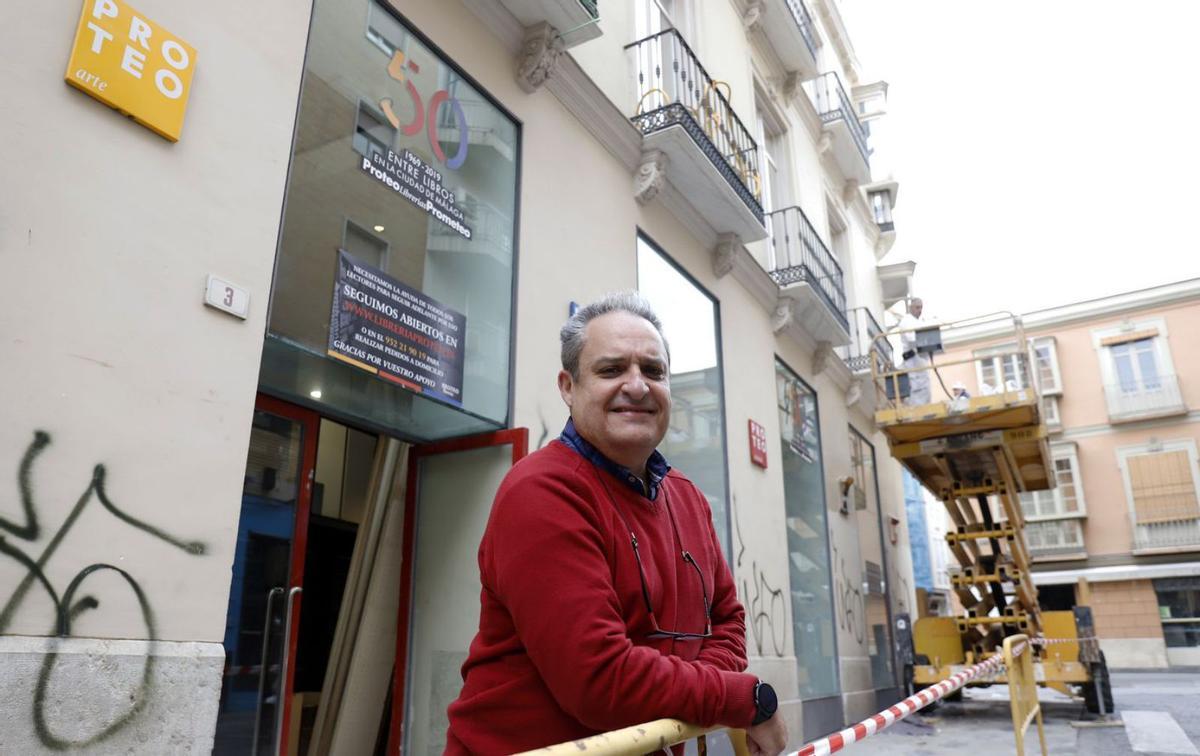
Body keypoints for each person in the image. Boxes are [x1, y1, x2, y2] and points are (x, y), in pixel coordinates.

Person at [445, 293, 788, 756]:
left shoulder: (686, 497)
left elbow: (726, 619)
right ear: (568, 387)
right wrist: (740, 698)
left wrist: (701, 691)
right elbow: (600, 679)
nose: (638, 386)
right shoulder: (542, 492)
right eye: (611, 370)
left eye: (653, 371)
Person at [897, 297, 931, 406]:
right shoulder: (907, 321)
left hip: (920, 360)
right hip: (913, 360)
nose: (919, 310)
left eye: (921, 307)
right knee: (916, 386)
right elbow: (912, 339)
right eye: (917, 307)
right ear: (910, 308)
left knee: (924, 385)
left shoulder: (918, 321)